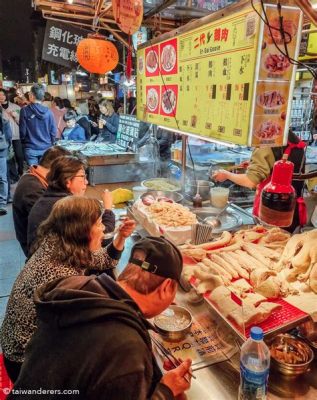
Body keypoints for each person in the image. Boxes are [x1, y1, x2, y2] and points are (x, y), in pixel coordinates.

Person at [9, 236, 192, 398]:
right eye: (174, 291)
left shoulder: (78, 286)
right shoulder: (126, 348)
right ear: (166, 286)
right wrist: (166, 390)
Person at [0, 196, 135, 382]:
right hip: (26, 363)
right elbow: (84, 330)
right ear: (80, 230)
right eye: (98, 223)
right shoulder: (60, 274)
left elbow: (104, 260)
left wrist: (121, 237)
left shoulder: (63, 245)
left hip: (23, 346)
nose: (103, 228)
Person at [213, 129, 306, 232]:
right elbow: (279, 161)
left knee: (269, 241)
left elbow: (250, 181)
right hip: (291, 211)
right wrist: (256, 165)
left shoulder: (266, 142)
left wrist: (226, 174)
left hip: (271, 213)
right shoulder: (288, 136)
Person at [27, 155, 115, 253]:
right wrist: (108, 208)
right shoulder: (67, 207)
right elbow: (104, 238)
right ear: (67, 181)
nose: (86, 182)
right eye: (82, 176)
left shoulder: (47, 198)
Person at [12, 146, 71, 256]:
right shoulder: (32, 188)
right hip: (37, 250)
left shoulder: (34, 177)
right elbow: (56, 223)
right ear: (56, 168)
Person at [19, 84, 57, 166]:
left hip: (31, 148)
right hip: (46, 148)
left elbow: (22, 132)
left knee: (34, 175)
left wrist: (24, 143)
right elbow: (53, 131)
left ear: (32, 96)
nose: (28, 95)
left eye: (29, 94)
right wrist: (51, 143)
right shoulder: (49, 112)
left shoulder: (25, 110)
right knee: (46, 174)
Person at [0, 89, 24, 181]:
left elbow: (22, 122)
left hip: (16, 135)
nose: (1, 97)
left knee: (19, 155)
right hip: (4, 137)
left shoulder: (16, 107)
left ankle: (21, 171)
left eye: (2, 95)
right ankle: (13, 176)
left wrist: (16, 116)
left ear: (6, 96)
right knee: (9, 157)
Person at [0, 107, 12, 216]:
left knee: (2, 177)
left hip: (1, 151)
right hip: (2, 151)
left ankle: (2, 203)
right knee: (2, 177)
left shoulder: (4, 122)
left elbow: (9, 136)